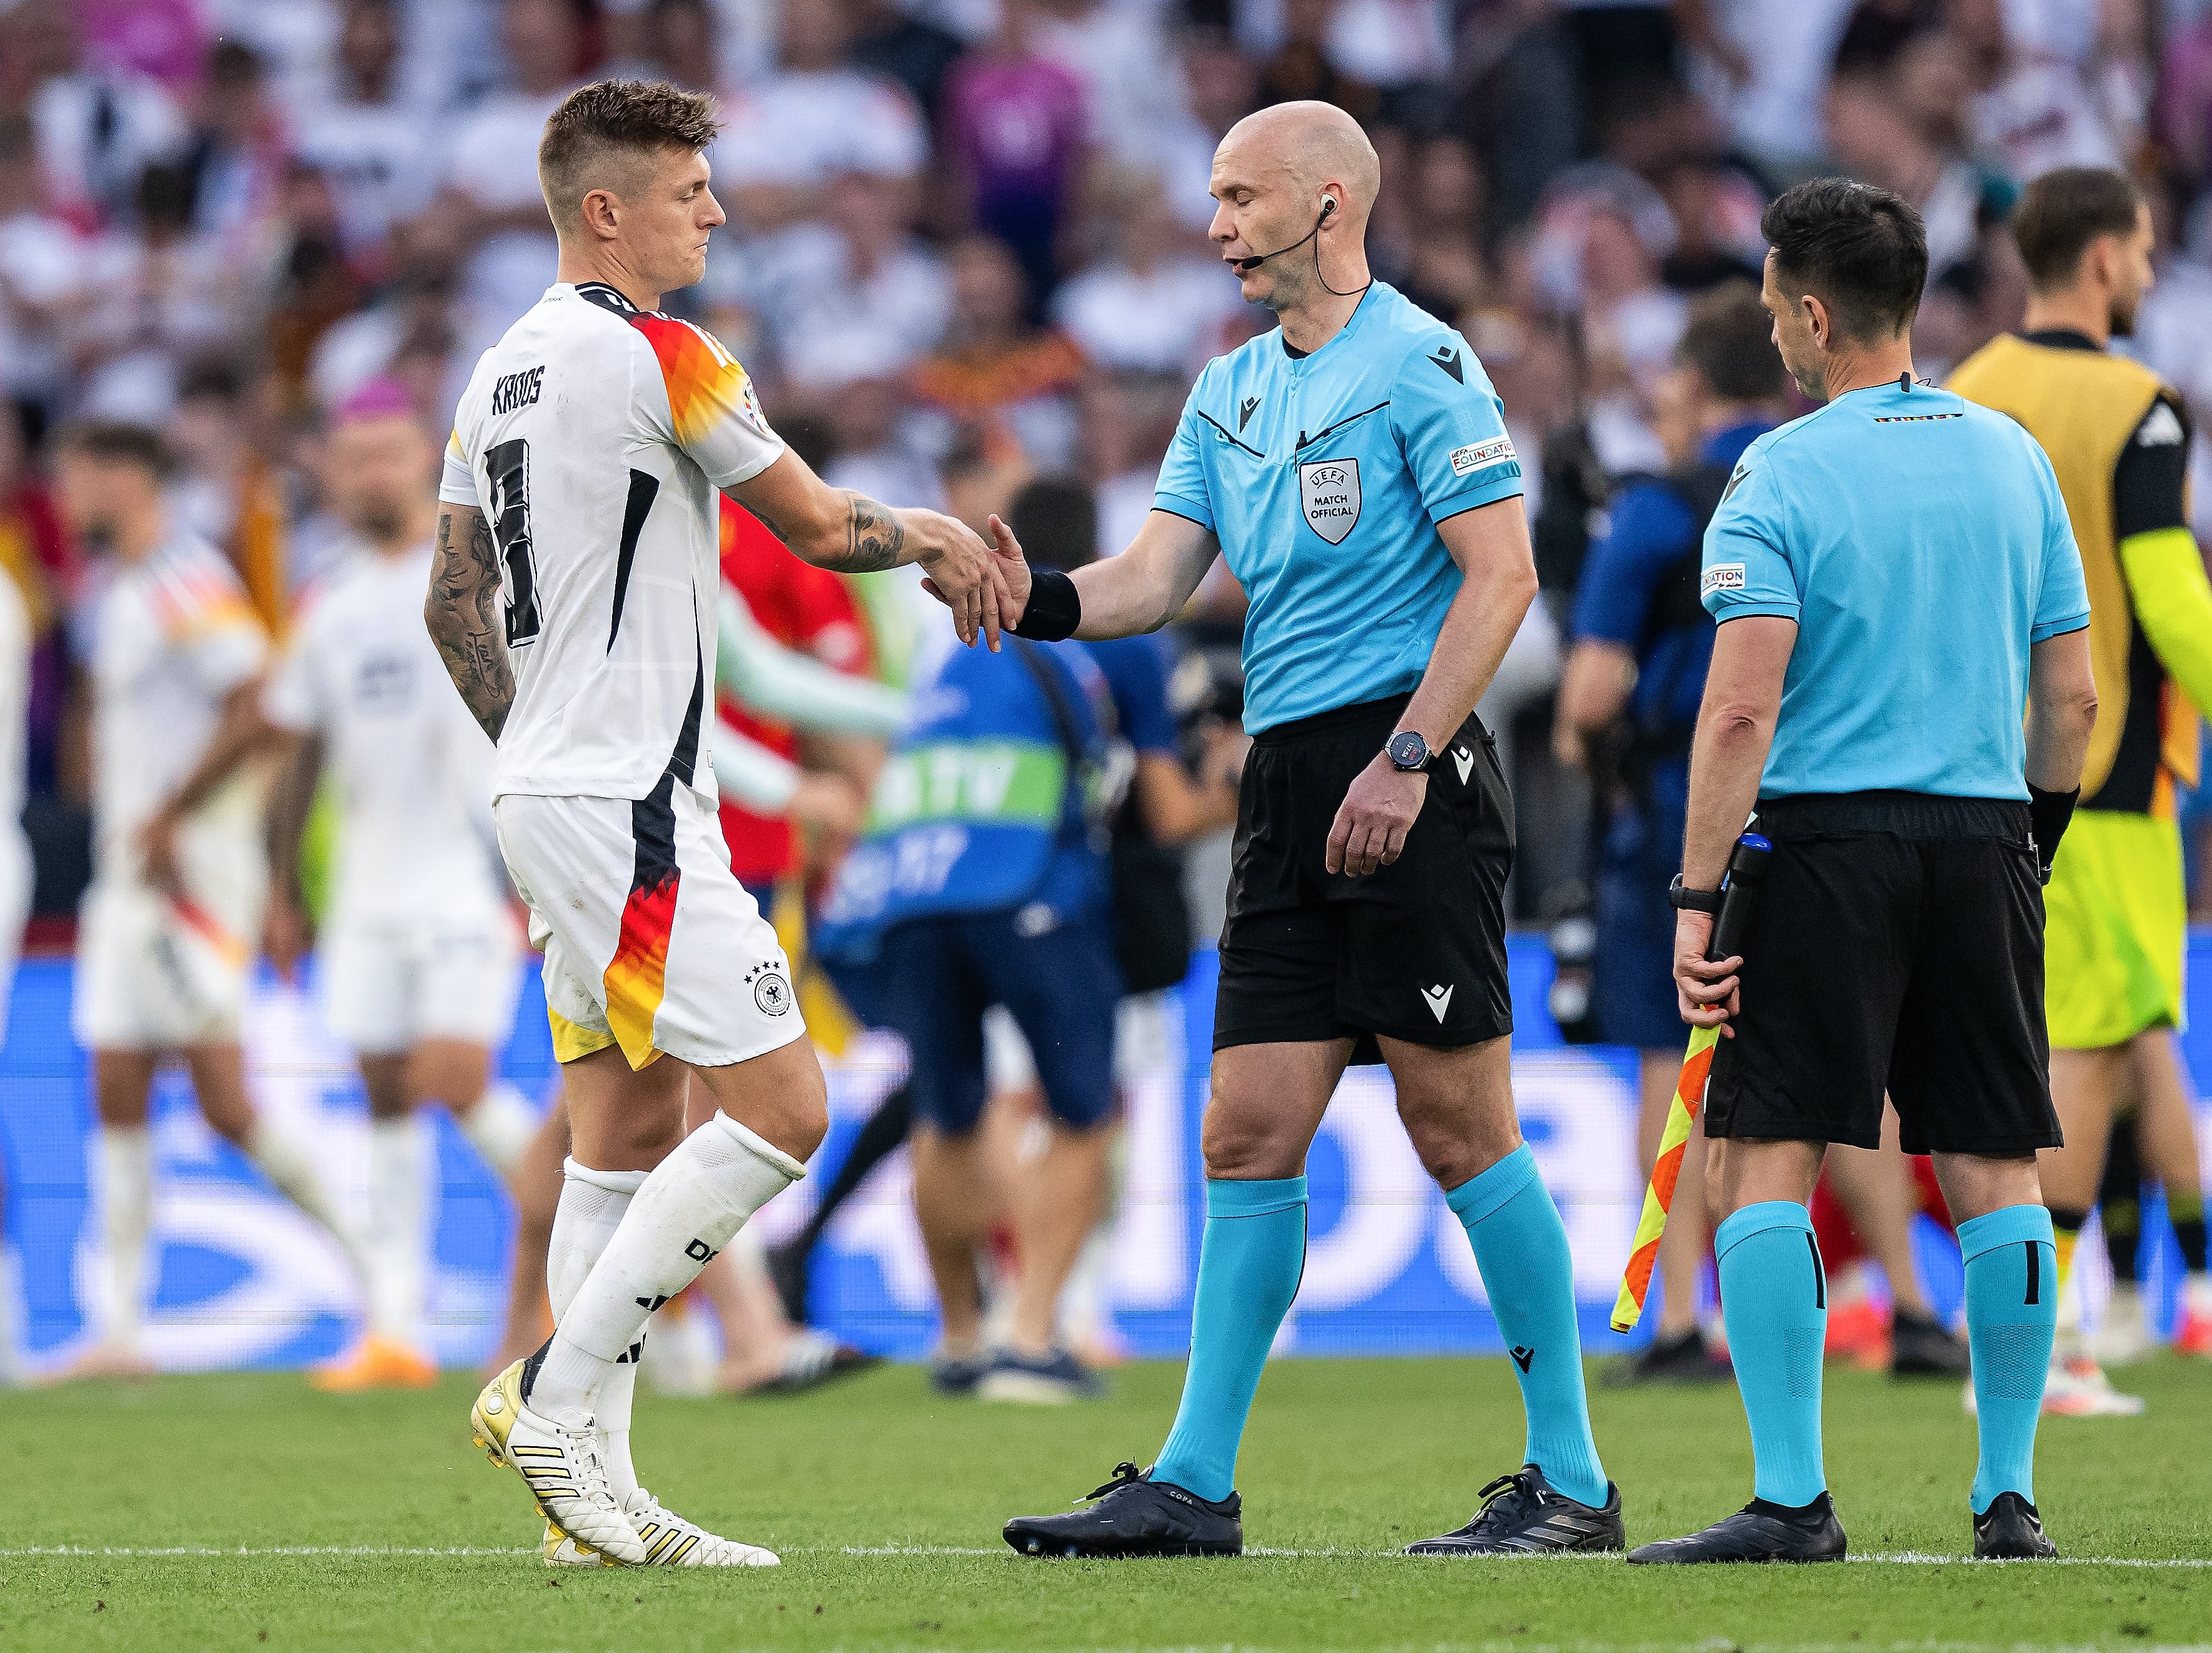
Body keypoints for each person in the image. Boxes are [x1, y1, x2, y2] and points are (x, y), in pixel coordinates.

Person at [993, 101, 1621, 1558]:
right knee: (1244, 1125)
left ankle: (1572, 1479)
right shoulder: (1225, 390)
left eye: (1236, 197)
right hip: (1285, 783)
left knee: (1458, 1124)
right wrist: (1022, 596)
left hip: (1408, 767)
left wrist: (1407, 755)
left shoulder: (1421, 362)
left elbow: (1503, 577)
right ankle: (1193, 1481)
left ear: (1327, 204)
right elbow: (1151, 582)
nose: (1212, 226)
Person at [431, 79, 1009, 1570]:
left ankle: (585, 1509)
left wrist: (540, 753)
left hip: (546, 788)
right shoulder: (663, 351)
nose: (719, 211)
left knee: (617, 1137)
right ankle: (556, 1399)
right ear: (606, 210)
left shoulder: (493, 370)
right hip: (623, 800)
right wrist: (938, 535)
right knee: (784, 1106)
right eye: (690, 192)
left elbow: (452, 602)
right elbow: (820, 526)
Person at [1634, 178, 2097, 1567]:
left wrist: (1697, 893)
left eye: (1776, 305)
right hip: (1981, 837)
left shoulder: (1776, 472)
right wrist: (2028, 844)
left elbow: (1736, 710)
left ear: (1813, 312)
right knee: (1991, 1164)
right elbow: (2066, 699)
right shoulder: (2008, 456)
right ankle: (2005, 1496)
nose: (1772, 329)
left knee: (1759, 1149)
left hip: (1825, 843)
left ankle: (1788, 1498)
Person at [202, 383, 538, 1390]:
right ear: (332, 473)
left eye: (392, 452)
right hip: (367, 891)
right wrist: (280, 890)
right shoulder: (329, 600)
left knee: (453, 1078)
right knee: (386, 1100)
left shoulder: (482, 577)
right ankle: (395, 1330)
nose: (374, 473)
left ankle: (610, 1259)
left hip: (471, 872)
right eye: (355, 457)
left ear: (429, 459)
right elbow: (297, 758)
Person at [1949, 165, 2212, 1418]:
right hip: (2098, 777)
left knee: (2037, 1046)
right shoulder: (2138, 407)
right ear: (2101, 258)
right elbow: (2165, 596)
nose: (2150, 271)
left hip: (1967, 769)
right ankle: (2036, 1351)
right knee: (2090, 1056)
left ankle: (2034, 1336)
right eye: (2145, 250)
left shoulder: (1960, 393)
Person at [58, 420, 362, 1380]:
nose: (64, 499)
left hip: (186, 876)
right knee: (114, 1089)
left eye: (75, 480)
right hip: (126, 881)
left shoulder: (187, 576)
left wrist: (174, 815)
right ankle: (118, 1334)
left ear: (121, 479)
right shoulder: (123, 590)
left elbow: (258, 697)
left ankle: (378, 1272)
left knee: (225, 1102)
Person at [1556, 279, 1785, 1385]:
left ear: (1690, 386)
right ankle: (1906, 1305)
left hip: (1681, 810)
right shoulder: (1822, 482)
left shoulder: (1657, 508)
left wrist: (1584, 760)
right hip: (1823, 804)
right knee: (1830, 1061)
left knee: (1672, 1046)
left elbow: (1590, 697)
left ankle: (1684, 1313)